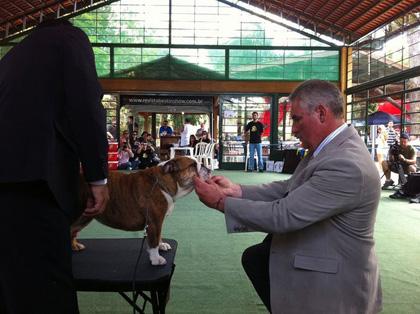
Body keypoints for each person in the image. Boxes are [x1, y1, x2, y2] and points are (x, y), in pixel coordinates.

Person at [193, 80, 382, 314]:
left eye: (296, 119)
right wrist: (236, 191)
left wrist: (221, 202)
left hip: (334, 288)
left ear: (321, 113)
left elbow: (284, 215)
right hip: (323, 264)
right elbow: (289, 188)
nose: (292, 129)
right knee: (256, 257)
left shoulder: (346, 164)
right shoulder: (329, 148)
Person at [0, 19, 109, 314]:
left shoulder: (13, 55)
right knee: (47, 285)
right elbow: (86, 105)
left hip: (7, 181)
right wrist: (98, 178)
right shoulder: (69, 39)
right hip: (35, 182)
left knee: (14, 283)